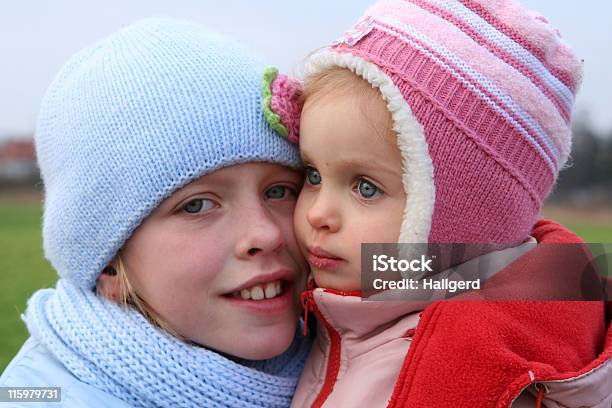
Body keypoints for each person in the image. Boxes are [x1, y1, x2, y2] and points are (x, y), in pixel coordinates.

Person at [289, 0, 612, 406]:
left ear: (465, 216)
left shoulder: (483, 380)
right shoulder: (339, 313)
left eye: (365, 187)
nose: (318, 213)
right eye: (313, 175)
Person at [0, 18, 312, 407]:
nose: (266, 234)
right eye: (197, 205)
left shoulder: (345, 338)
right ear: (109, 263)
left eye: (280, 191)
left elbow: (403, 275)